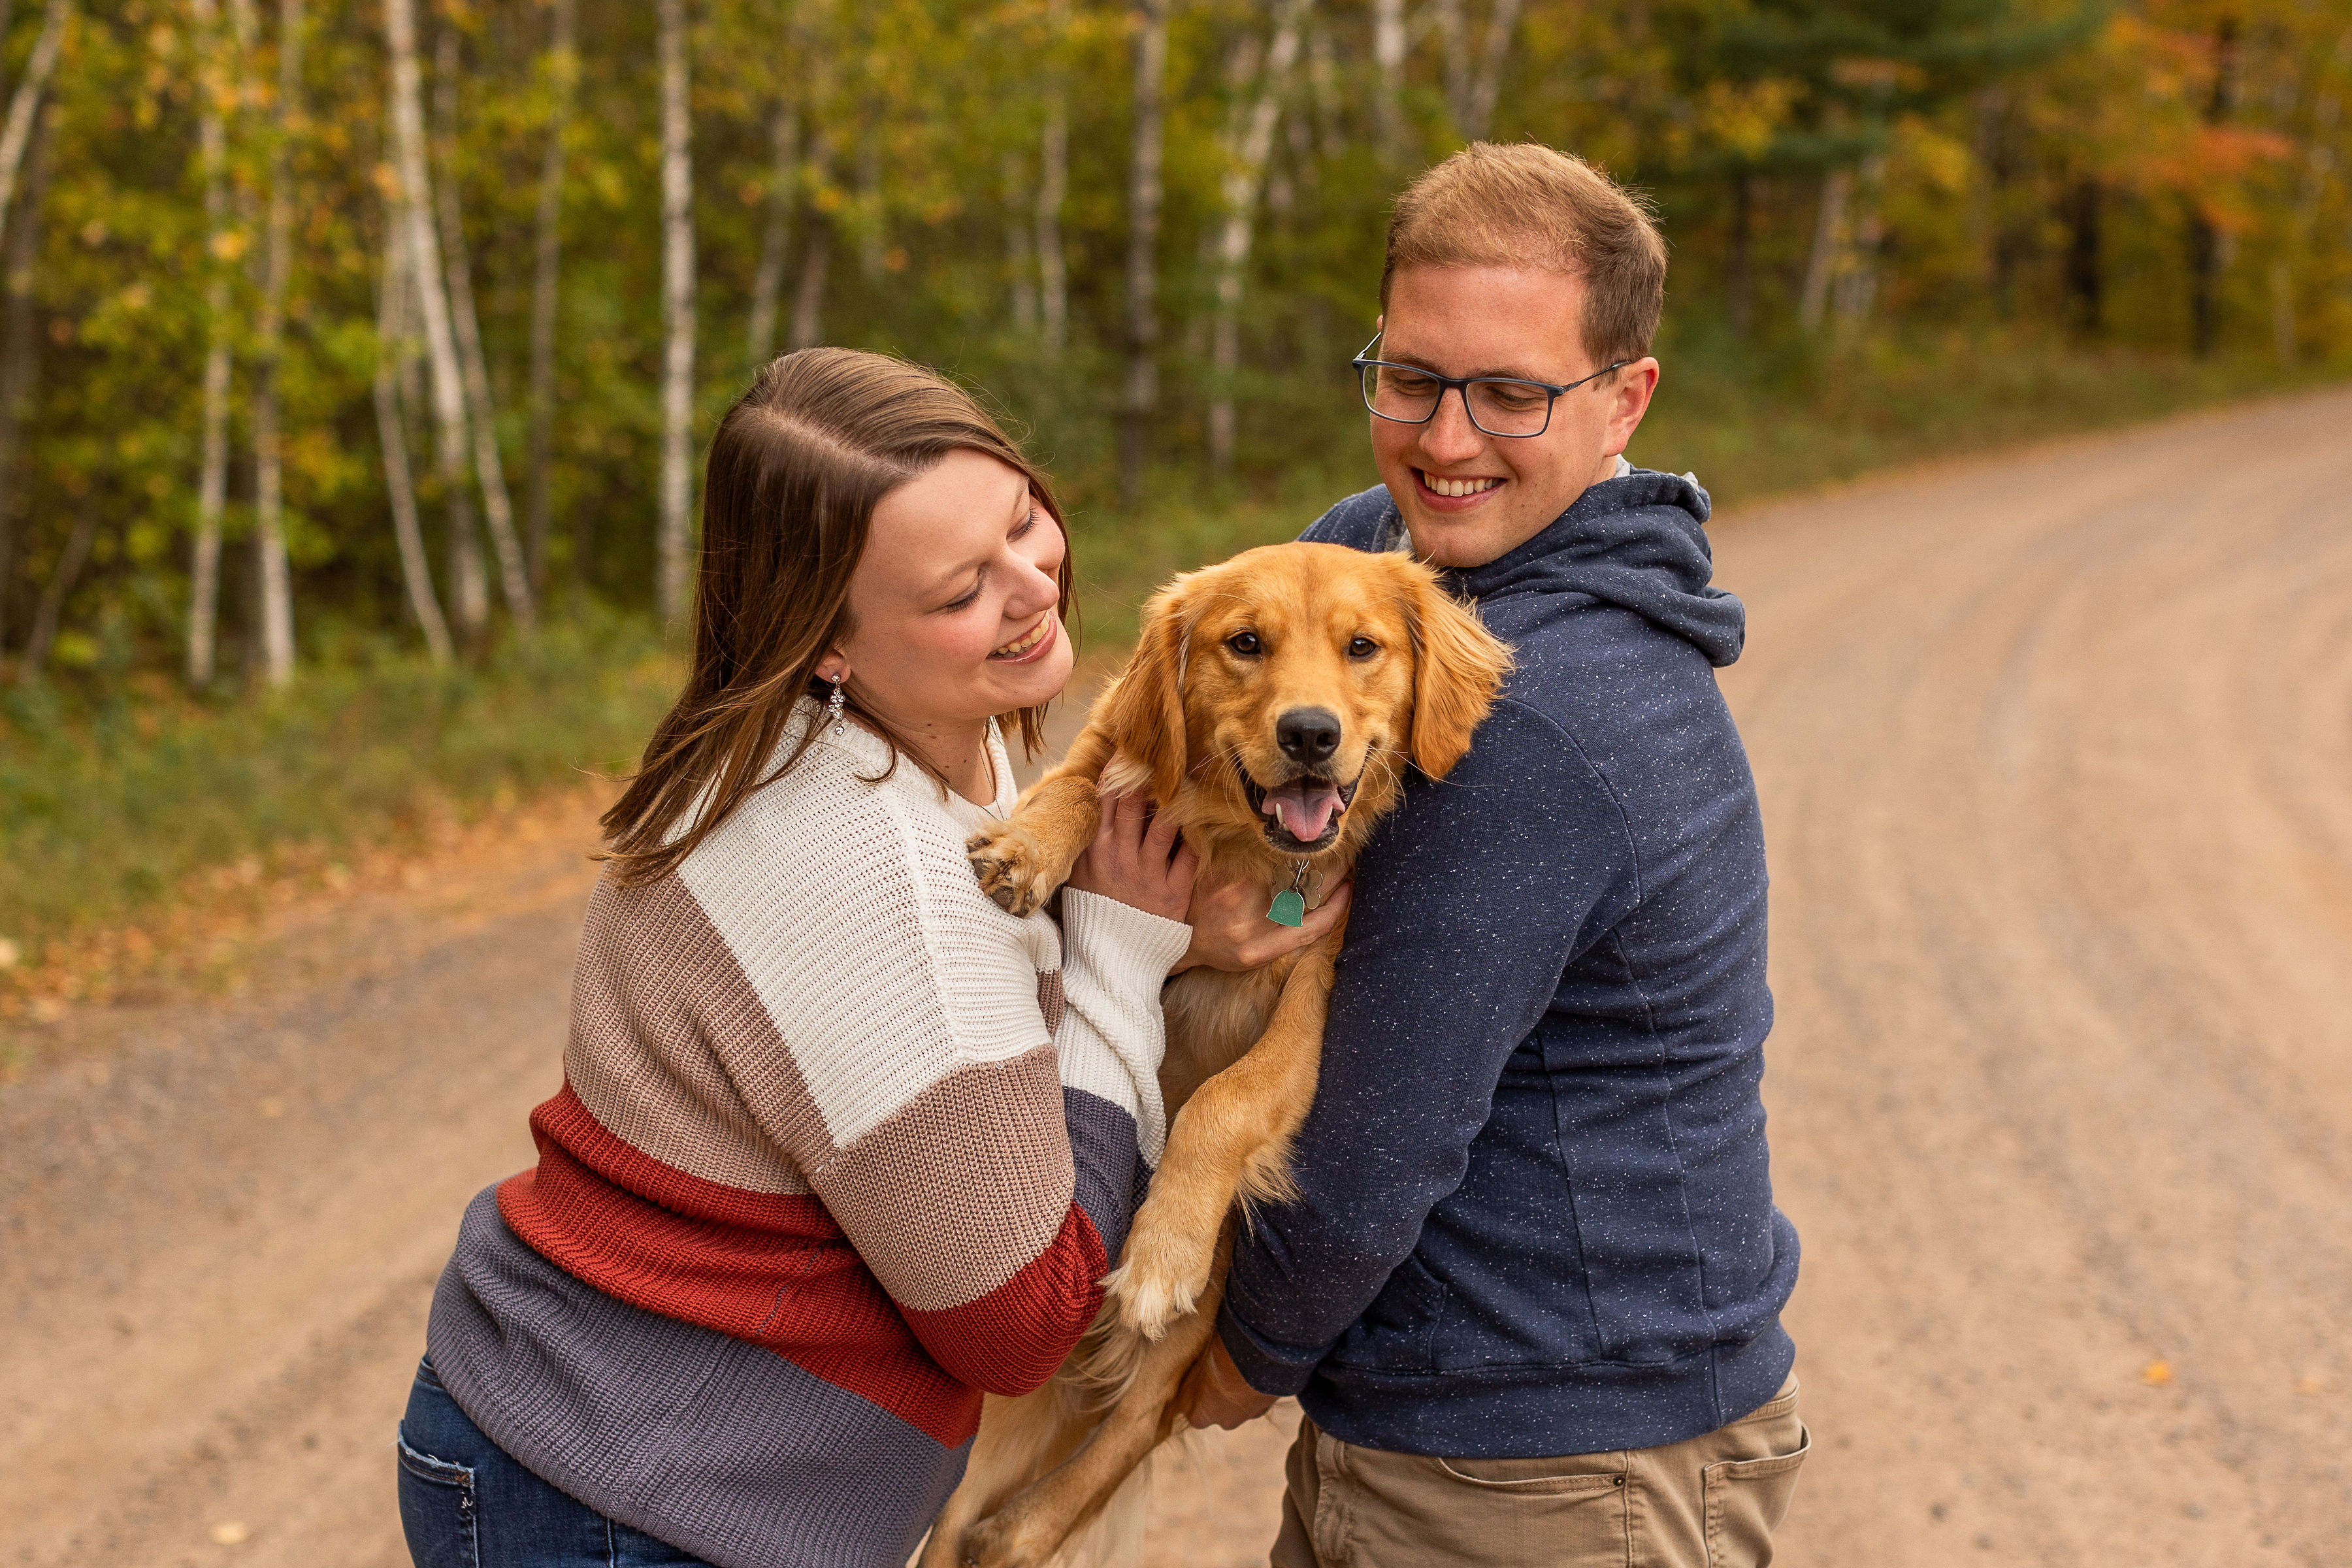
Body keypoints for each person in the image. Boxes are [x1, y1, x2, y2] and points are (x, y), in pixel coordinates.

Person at [393, 348, 1343, 1568]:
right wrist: (1122, 946)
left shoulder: (921, 740)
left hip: (577, 1430)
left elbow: (962, 1041)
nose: (1032, 587)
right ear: (827, 644)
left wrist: (1171, 938)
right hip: (627, 1505)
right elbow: (1020, 1329)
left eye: (1021, 521)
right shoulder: (859, 867)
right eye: (959, 591)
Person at [1175, 142, 1806, 1567]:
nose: (1445, 440)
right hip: (1480, 1438)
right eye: (1411, 378)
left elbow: (1375, 1142)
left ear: (1625, 398)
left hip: (1550, 1470)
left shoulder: (1538, 708)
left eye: (1511, 394)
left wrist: (1236, 1357)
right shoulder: (1388, 569)